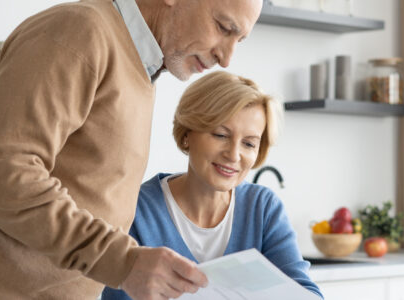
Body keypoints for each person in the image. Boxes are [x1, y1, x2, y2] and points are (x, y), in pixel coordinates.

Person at [0, 0, 263, 299]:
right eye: (223, 27)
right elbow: (3, 175)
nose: (227, 57)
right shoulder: (79, 33)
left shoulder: (142, 68)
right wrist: (123, 262)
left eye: (240, 40)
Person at [102, 71, 323, 299]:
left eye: (249, 143)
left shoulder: (263, 208)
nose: (234, 155)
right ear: (187, 133)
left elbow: (306, 293)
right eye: (220, 135)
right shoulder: (137, 208)